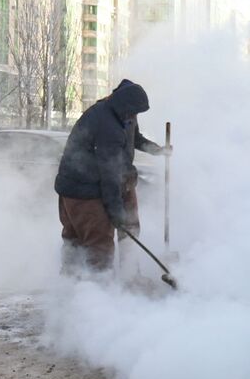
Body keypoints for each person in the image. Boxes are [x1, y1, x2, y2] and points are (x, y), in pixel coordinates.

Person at [54, 78, 170, 273]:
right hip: (84, 189)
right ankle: (94, 291)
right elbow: (109, 174)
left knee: (130, 230)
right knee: (97, 244)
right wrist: (116, 213)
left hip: (119, 182)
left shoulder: (124, 114)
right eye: (133, 111)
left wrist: (157, 150)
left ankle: (129, 277)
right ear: (124, 105)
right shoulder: (104, 123)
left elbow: (135, 138)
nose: (134, 116)